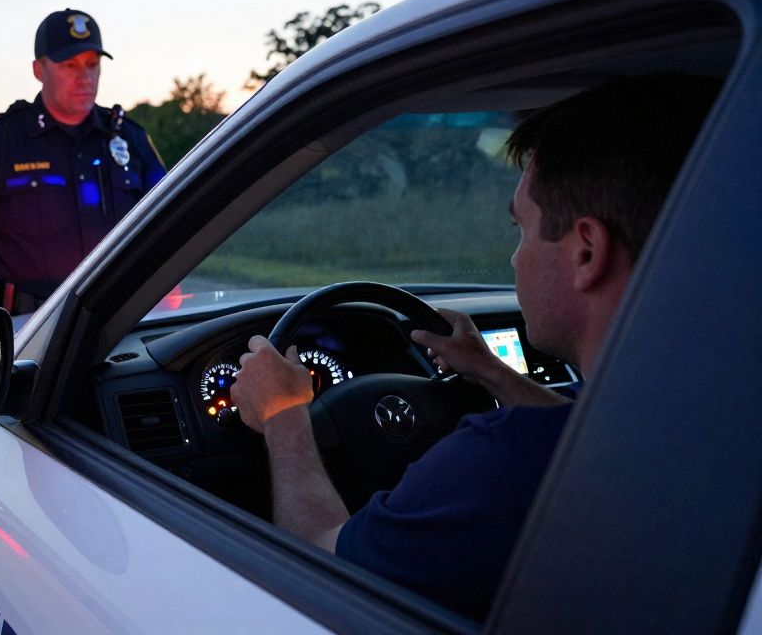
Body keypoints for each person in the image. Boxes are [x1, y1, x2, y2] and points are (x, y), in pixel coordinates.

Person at [230, 74, 720, 619]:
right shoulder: (704, 410)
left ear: (587, 252)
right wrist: (492, 373)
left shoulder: (499, 466)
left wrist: (285, 418)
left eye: (522, 231)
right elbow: (589, 438)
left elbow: (316, 562)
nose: (514, 260)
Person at [0, 9, 167, 314]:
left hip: (121, 322)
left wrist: (167, 317)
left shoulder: (130, 140)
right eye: (69, 65)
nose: (84, 77)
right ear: (39, 70)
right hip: (29, 329)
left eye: (92, 65)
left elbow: (165, 225)